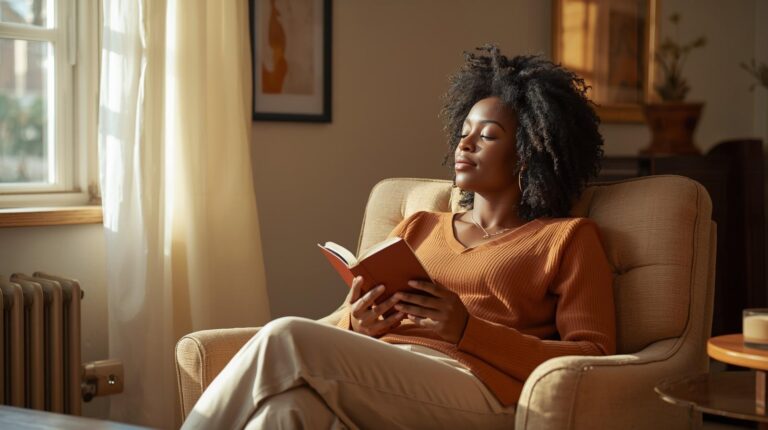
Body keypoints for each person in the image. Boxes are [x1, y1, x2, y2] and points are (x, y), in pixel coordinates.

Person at [182, 45, 616, 430]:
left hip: (480, 388)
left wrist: (467, 330)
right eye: (464, 132)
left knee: (286, 337)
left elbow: (592, 357)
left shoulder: (567, 239)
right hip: (387, 370)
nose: (465, 145)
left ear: (527, 154)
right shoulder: (420, 226)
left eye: (487, 136)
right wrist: (357, 322)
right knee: (286, 412)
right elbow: (340, 320)